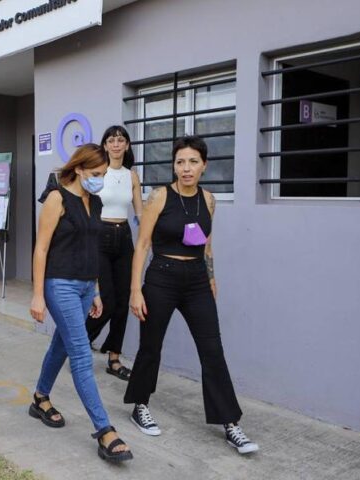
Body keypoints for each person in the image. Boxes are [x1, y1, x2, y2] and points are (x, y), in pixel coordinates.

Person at [124, 136, 258, 454]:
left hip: (197, 280)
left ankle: (230, 423)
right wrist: (135, 290)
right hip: (162, 277)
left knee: (212, 350)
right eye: (180, 162)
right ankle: (140, 405)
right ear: (174, 165)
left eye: (193, 162)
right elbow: (142, 244)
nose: (186, 168)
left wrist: (211, 277)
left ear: (204, 166)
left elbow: (207, 244)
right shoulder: (160, 196)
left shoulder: (208, 200)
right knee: (151, 346)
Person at [29, 143, 133, 464]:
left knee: (61, 345)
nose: (100, 179)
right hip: (60, 284)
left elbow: (93, 249)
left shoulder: (95, 201)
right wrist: (37, 294)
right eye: (96, 173)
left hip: (87, 285)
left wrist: (97, 290)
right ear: (78, 169)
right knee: (81, 354)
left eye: (103, 174)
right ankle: (105, 430)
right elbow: (41, 248)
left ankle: (40, 398)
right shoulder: (57, 198)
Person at [85, 125, 143, 381]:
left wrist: (148, 239)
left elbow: (139, 213)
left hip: (124, 238)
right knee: (106, 301)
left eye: (121, 140)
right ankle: (79, 342)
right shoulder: (98, 173)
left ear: (127, 145)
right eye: (111, 140)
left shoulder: (132, 176)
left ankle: (114, 359)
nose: (116, 144)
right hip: (100, 235)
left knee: (122, 303)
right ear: (105, 145)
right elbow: (86, 205)